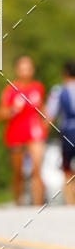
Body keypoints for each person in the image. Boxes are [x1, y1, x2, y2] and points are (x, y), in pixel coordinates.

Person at [0, 56, 47, 205]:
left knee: (36, 170)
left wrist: (44, 124)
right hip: (15, 134)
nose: (26, 71)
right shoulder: (10, 90)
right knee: (18, 173)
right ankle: (18, 203)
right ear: (17, 70)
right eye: (22, 68)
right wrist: (12, 110)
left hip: (34, 133)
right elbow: (1, 114)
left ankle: (38, 205)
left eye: (28, 68)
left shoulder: (38, 87)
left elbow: (43, 110)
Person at [55, 60, 75, 205]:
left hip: (68, 131)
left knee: (67, 168)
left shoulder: (59, 90)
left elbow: (51, 113)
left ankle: (70, 202)